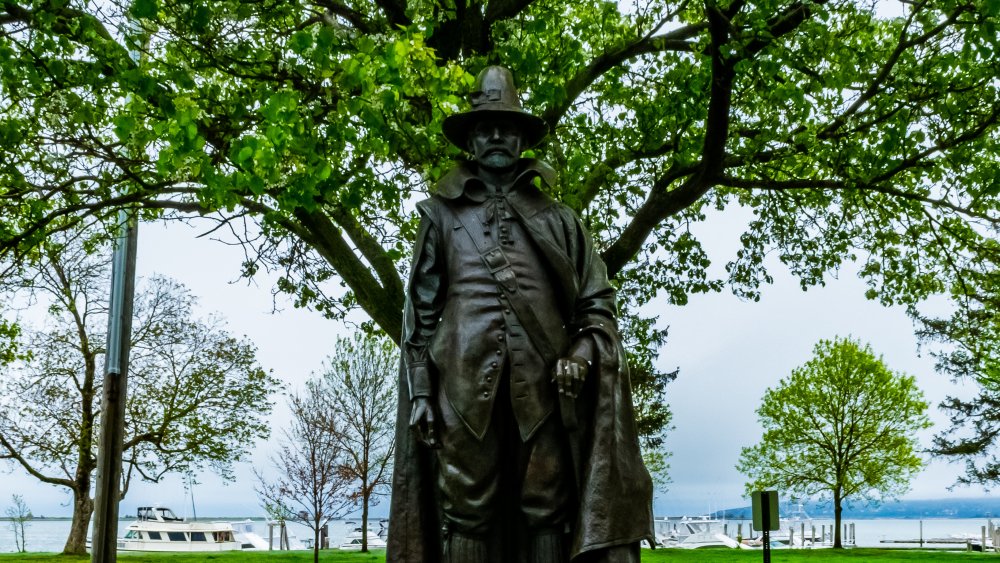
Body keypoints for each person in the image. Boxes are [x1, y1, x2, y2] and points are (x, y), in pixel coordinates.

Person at [387, 65, 654, 563]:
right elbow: (419, 314)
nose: (494, 136)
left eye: (506, 128)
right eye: (484, 127)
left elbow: (597, 305)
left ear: (520, 139)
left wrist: (579, 351)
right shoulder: (440, 217)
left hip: (547, 392)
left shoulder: (560, 219)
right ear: (469, 139)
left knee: (547, 506)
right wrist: (422, 392)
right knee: (467, 508)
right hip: (461, 392)